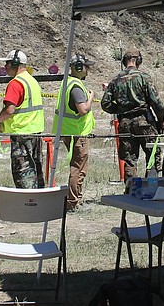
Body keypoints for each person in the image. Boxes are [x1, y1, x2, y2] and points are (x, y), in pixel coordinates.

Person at [100, 48, 164, 179]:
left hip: (125, 123)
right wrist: (161, 120)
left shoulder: (115, 80)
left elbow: (105, 103)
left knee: (130, 160)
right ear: (138, 60)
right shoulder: (144, 77)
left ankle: (130, 191)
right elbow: (156, 103)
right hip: (144, 122)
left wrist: (120, 109)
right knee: (152, 155)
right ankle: (150, 189)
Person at [0, 50, 45, 188]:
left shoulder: (16, 83)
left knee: (24, 174)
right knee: (36, 172)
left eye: (7, 64)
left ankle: (26, 204)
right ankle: (39, 202)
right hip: (36, 133)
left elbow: (9, 110)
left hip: (22, 134)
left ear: (15, 63)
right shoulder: (32, 81)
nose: (5, 67)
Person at [57, 54, 95, 210]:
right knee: (78, 168)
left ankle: (76, 199)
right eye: (86, 66)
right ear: (79, 67)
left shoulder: (68, 83)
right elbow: (83, 109)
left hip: (69, 130)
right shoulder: (76, 87)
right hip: (77, 133)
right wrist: (92, 96)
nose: (88, 70)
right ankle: (73, 202)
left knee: (78, 166)